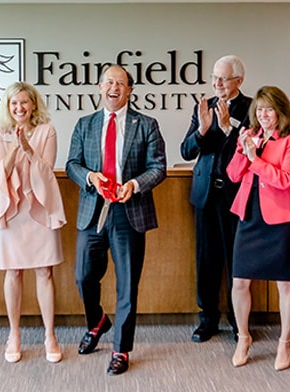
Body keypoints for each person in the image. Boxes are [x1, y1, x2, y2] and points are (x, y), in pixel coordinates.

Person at [65, 64, 167, 375]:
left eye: (120, 83)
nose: (114, 87)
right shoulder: (85, 124)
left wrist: (134, 185)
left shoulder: (146, 124)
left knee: (127, 285)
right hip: (93, 210)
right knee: (83, 276)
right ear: (99, 87)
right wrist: (90, 177)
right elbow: (72, 164)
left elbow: (158, 167)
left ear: (129, 90)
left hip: (128, 212)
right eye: (109, 82)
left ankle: (121, 349)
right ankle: (97, 321)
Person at [0, 82, 66, 363]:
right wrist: (14, 149)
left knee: (45, 271)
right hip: (12, 210)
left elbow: (47, 172)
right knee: (14, 272)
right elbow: (0, 174)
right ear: (8, 107)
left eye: (24, 102)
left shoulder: (47, 131)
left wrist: (28, 148)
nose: (19, 108)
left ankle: (50, 335)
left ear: (33, 104)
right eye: (14, 103)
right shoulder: (0, 132)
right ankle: (14, 334)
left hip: (39, 208)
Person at [226, 86, 290, 370]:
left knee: (284, 283)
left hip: (280, 219)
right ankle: (243, 338)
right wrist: (242, 149)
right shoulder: (250, 137)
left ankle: (285, 342)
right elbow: (233, 175)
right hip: (249, 214)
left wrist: (256, 160)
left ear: (280, 111)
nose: (263, 114)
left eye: (269, 109)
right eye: (259, 109)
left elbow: (284, 179)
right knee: (239, 282)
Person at [180, 55, 253, 343]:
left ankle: (239, 322)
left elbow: (250, 147)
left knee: (236, 260)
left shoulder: (251, 107)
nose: (216, 83)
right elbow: (186, 150)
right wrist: (202, 129)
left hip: (235, 195)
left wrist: (226, 127)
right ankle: (207, 319)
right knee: (206, 260)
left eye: (223, 78)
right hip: (205, 195)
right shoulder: (204, 107)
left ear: (239, 81)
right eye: (214, 77)